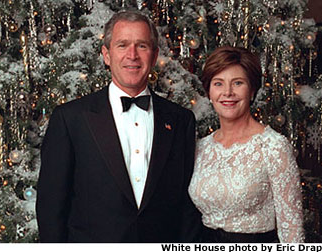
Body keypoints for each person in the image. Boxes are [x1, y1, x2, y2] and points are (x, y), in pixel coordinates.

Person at [36, 10, 202, 243]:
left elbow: (187, 205)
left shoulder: (180, 120)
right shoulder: (70, 118)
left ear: (154, 56)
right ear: (106, 55)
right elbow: (50, 207)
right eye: (122, 45)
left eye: (141, 46)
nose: (132, 55)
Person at [188, 46, 304, 243]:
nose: (227, 92)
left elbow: (291, 230)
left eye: (238, 83)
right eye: (218, 83)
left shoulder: (273, 147)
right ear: (209, 92)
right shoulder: (201, 147)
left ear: (252, 91)